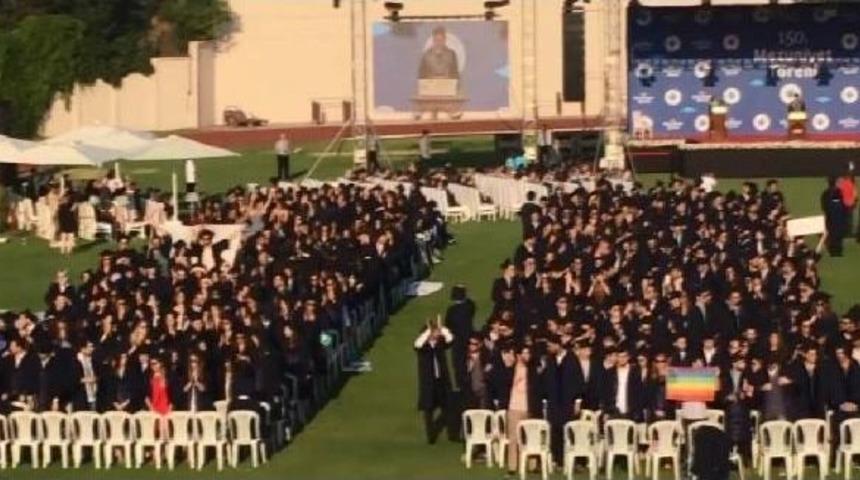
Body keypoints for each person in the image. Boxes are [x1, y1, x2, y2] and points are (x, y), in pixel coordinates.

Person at [414, 317, 453, 444]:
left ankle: (451, 434)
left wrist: (443, 329)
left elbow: (450, 339)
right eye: (435, 332)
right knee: (428, 412)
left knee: (447, 408)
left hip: (441, 382)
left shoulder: (440, 345)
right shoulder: (423, 348)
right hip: (428, 384)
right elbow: (417, 344)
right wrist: (427, 332)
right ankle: (431, 437)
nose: (437, 334)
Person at [822, 176, 848, 257]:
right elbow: (843, 205)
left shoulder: (825, 193)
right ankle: (837, 251)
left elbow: (824, 206)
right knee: (837, 235)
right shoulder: (839, 192)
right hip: (839, 218)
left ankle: (833, 251)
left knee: (832, 234)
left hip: (830, 218)